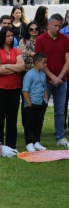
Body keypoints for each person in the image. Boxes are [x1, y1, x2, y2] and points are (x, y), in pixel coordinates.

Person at [35, 13, 69, 147]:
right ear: (49, 24)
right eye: (56, 25)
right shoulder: (41, 39)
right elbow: (39, 62)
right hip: (45, 81)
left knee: (60, 110)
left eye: (60, 26)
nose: (58, 28)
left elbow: (68, 60)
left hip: (62, 81)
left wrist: (60, 77)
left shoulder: (65, 39)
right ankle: (36, 137)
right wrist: (52, 77)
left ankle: (60, 136)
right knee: (41, 108)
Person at [0, 26, 25, 149]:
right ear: (2, 37)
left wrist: (6, 66)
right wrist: (13, 67)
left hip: (14, 88)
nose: (10, 38)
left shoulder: (16, 51)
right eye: (7, 36)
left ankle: (11, 144)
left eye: (11, 36)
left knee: (12, 117)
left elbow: (22, 67)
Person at [23, 53, 48, 152]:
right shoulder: (29, 74)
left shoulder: (43, 74)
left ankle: (36, 141)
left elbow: (44, 88)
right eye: (44, 62)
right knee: (29, 124)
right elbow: (25, 90)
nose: (45, 64)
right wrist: (29, 103)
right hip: (32, 103)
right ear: (37, 63)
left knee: (38, 123)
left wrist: (45, 100)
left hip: (41, 102)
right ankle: (29, 143)